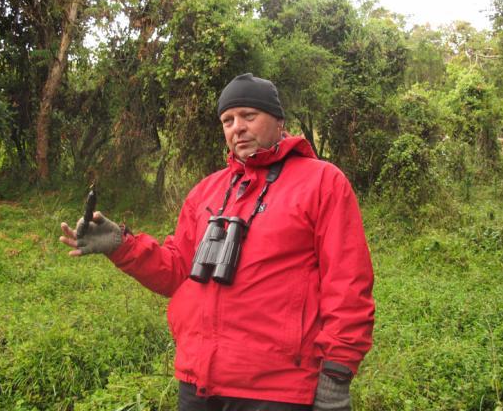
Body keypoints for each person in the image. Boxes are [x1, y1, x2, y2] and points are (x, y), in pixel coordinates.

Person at [60, 73, 375, 411]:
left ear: (279, 121)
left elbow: (348, 284)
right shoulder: (207, 190)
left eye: (248, 116)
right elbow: (177, 270)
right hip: (199, 382)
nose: (237, 127)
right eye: (228, 120)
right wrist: (123, 246)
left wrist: (335, 378)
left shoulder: (321, 182)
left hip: (277, 388)